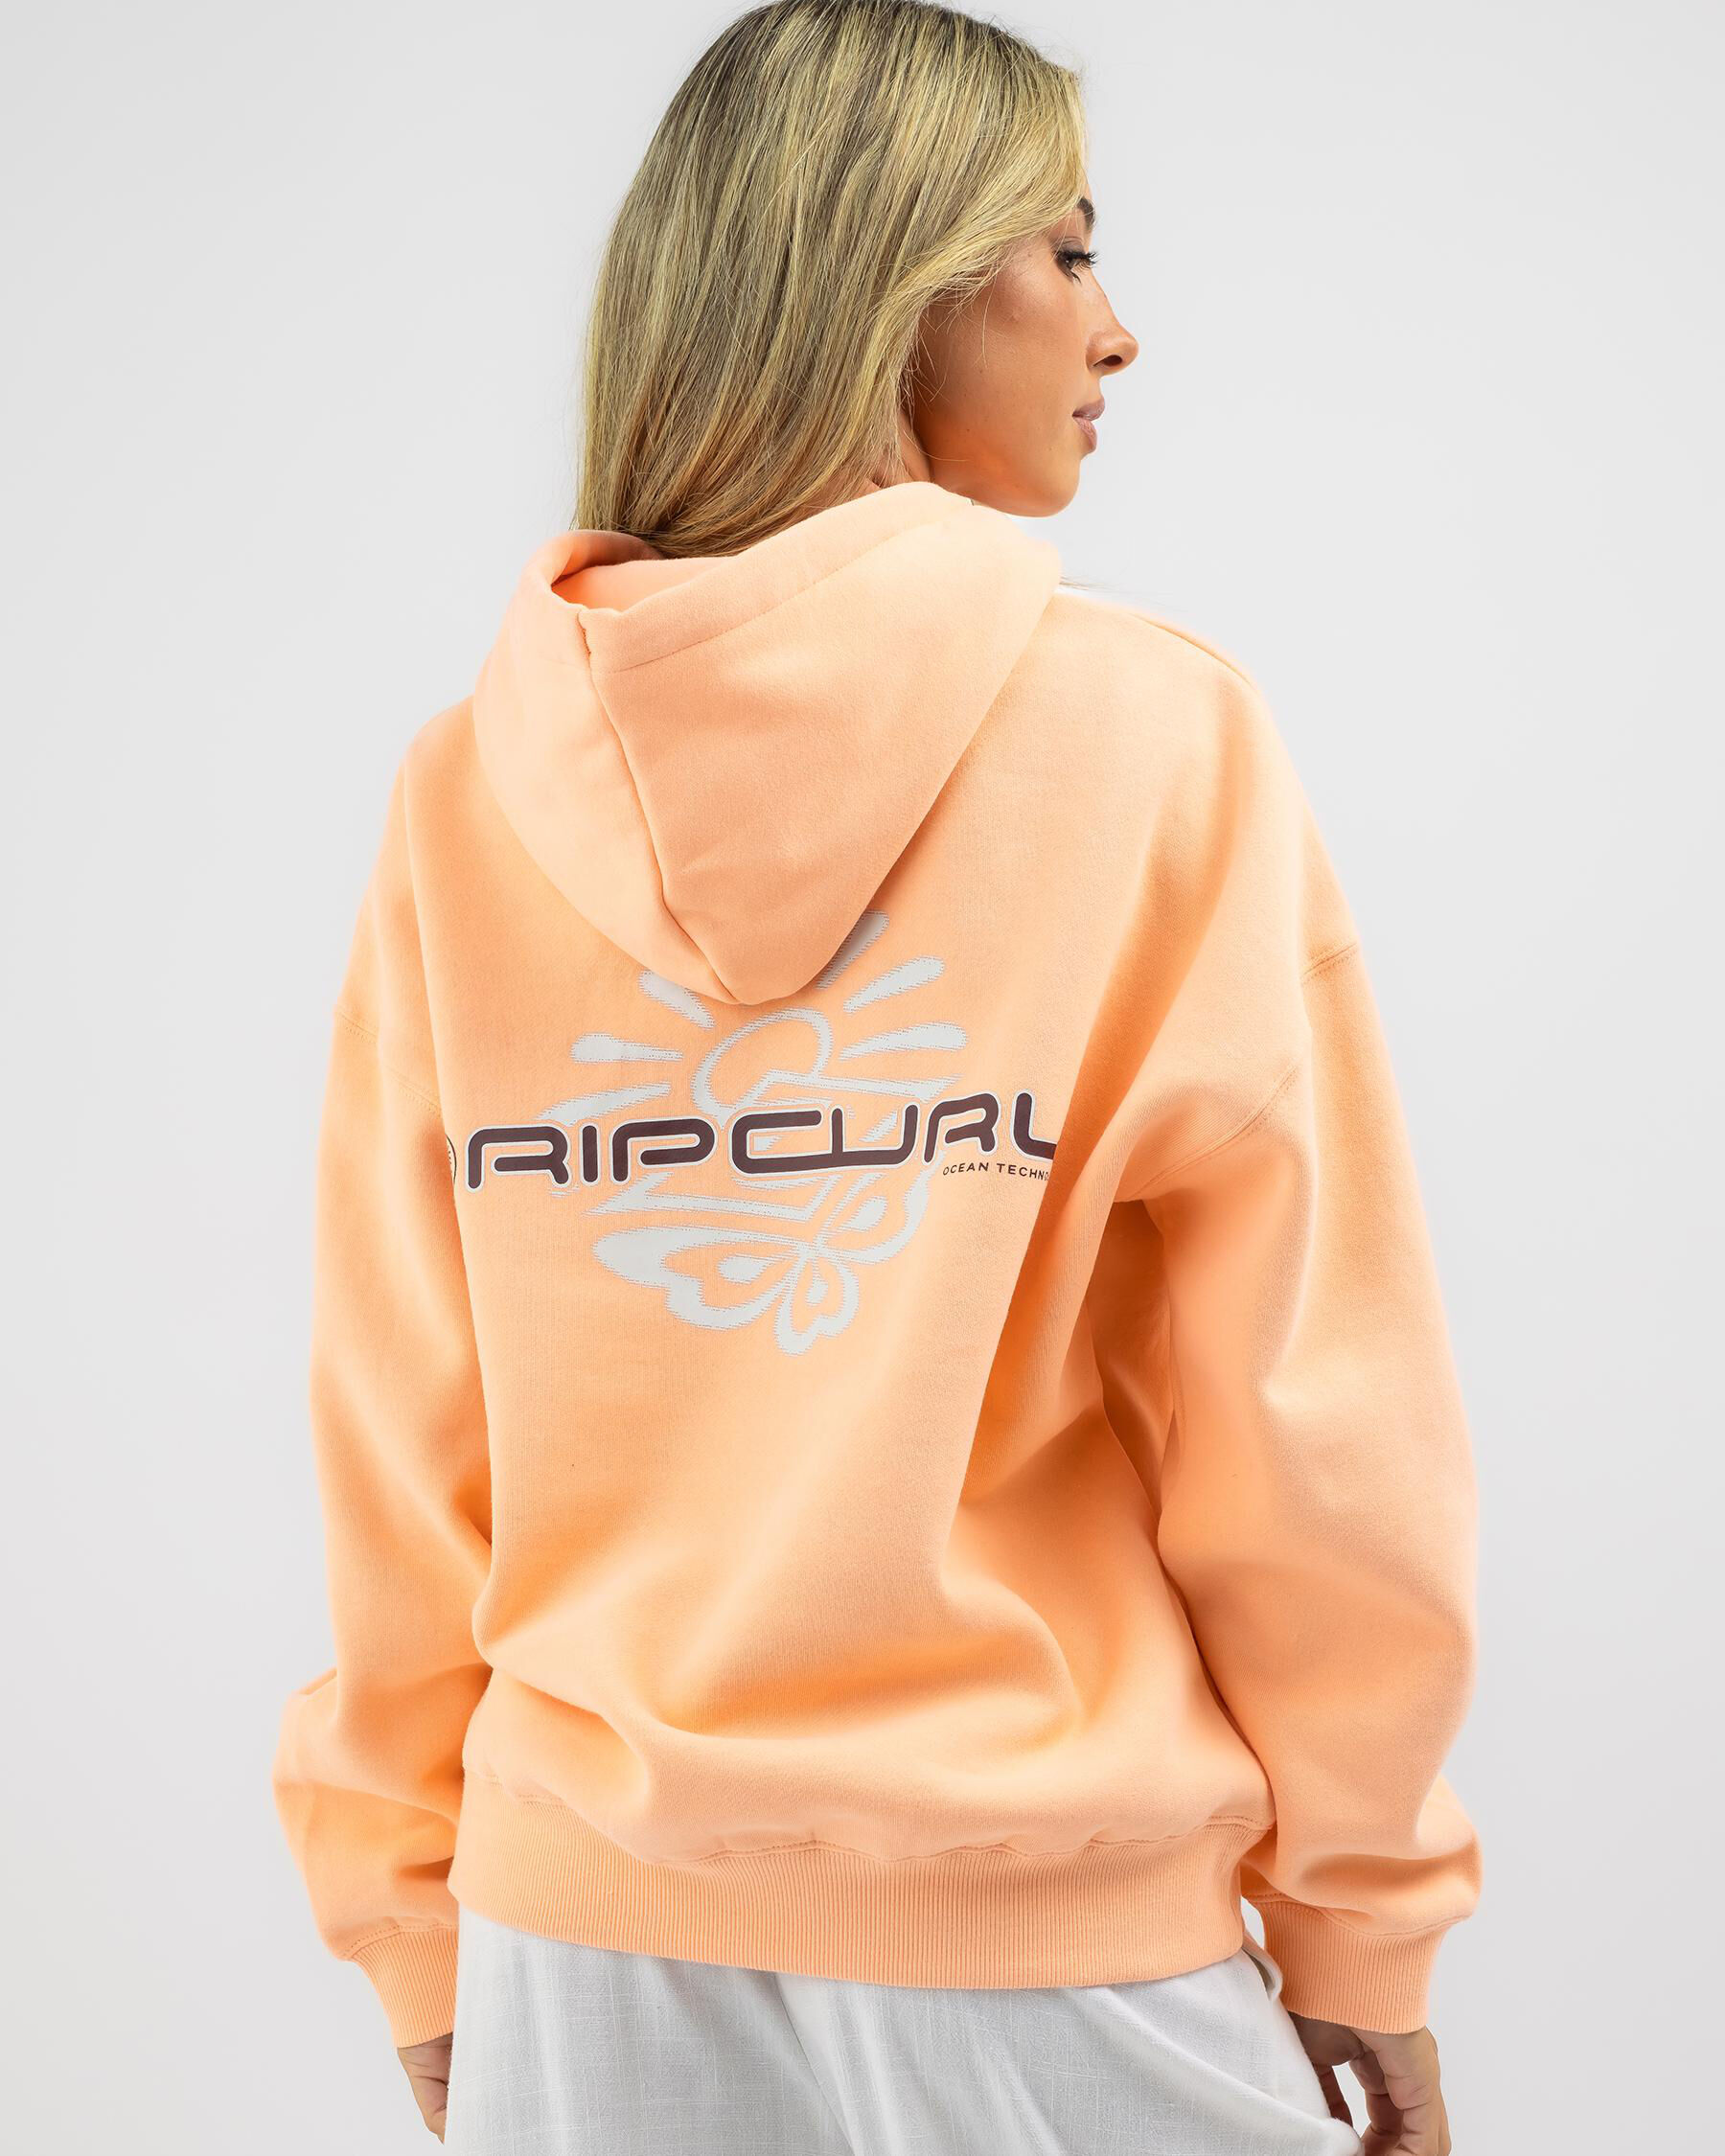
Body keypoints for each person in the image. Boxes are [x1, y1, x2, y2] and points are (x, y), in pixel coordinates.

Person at [271, 4, 1482, 2151]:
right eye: (1069, 251)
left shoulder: (473, 788)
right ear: (895, 287)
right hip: (1053, 1927)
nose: (1119, 331)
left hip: (580, 1941)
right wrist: (1362, 1917)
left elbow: (403, 1422)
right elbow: (1303, 1404)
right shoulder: (1152, 736)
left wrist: (418, 1920)